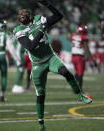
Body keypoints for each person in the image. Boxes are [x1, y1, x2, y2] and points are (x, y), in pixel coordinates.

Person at [13, 1, 92, 131]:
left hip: (50, 57)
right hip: (37, 64)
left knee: (65, 71)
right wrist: (41, 30)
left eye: (24, 12)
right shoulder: (18, 30)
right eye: (19, 14)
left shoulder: (39, 19)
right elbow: (30, 46)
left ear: (30, 14)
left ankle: (80, 95)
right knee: (41, 95)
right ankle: (41, 124)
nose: (21, 14)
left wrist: (48, 5)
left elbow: (59, 16)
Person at [67, 25, 97, 91]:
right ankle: (79, 89)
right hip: (80, 57)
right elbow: (87, 49)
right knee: (80, 74)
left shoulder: (73, 35)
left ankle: (73, 84)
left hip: (73, 57)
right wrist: (92, 60)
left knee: (77, 73)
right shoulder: (83, 37)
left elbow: (68, 38)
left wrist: (68, 31)